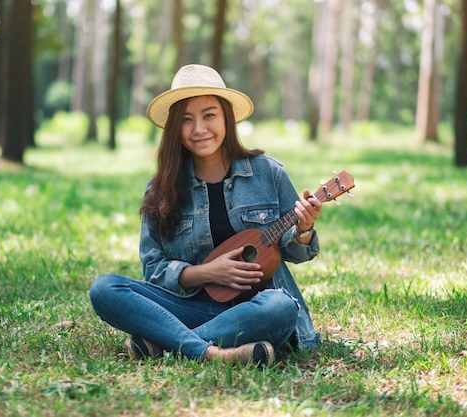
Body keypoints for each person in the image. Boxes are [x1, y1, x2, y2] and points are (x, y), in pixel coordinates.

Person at [89, 64, 322, 366]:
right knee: (105, 289)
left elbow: (295, 252)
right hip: (189, 305)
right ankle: (215, 353)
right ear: (175, 128)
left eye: (209, 115)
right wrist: (209, 273)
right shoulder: (160, 188)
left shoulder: (269, 173)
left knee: (281, 307)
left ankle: (164, 342)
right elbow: (154, 268)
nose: (199, 129)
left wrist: (303, 229)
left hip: (254, 308)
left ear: (227, 118)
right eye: (187, 120)